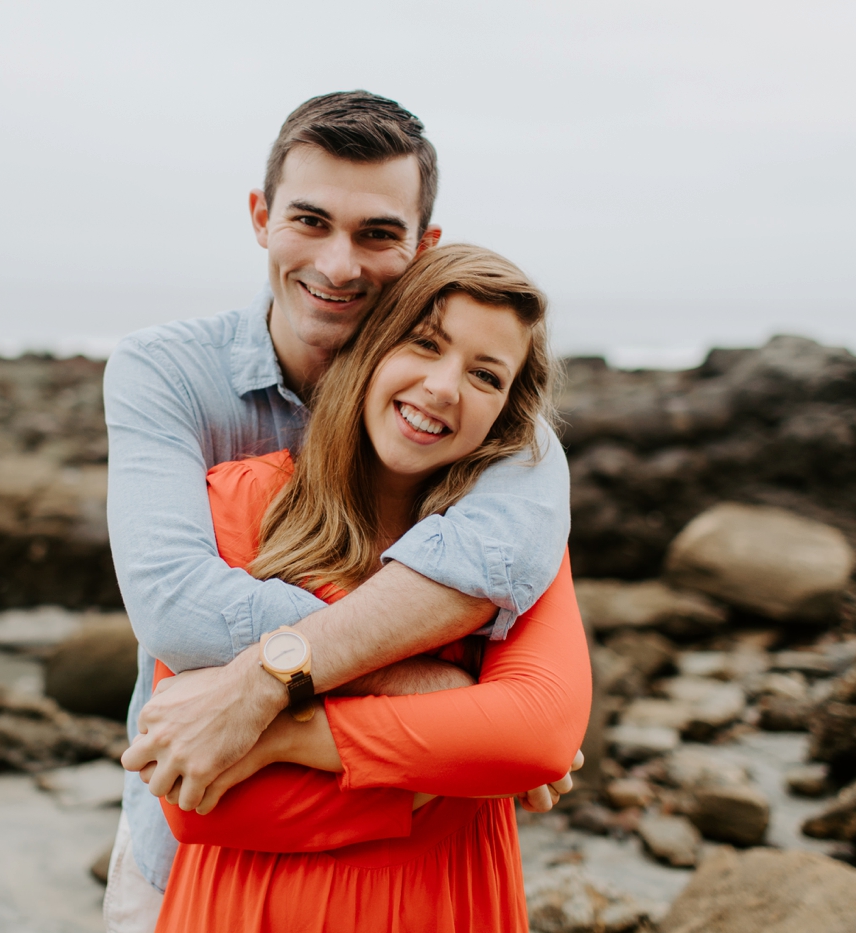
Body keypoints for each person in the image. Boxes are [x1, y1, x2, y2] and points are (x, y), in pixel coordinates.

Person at [103, 91, 571, 932]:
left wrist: (267, 680)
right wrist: (440, 685)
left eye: (377, 234)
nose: (340, 264)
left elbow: (532, 711)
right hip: (201, 818)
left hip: (419, 871)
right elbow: (174, 604)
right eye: (310, 221)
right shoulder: (167, 377)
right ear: (260, 215)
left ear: (423, 245)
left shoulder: (495, 429)